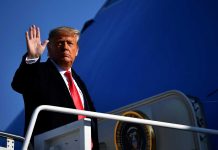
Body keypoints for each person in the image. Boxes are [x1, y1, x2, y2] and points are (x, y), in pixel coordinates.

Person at [11, 25, 99, 149]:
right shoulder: (39, 71)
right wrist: (32, 58)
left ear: (77, 50)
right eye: (59, 43)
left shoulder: (78, 81)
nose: (65, 47)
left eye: (70, 43)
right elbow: (19, 84)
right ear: (49, 49)